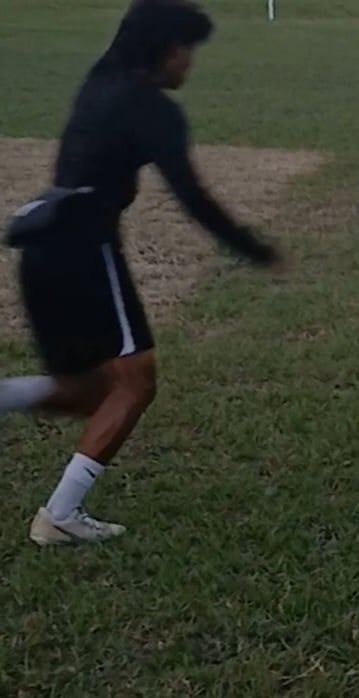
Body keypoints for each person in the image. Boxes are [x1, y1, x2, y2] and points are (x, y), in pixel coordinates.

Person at [0, 0, 282, 546]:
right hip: (86, 249)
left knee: (86, 393)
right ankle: (60, 514)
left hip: (42, 246)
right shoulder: (152, 110)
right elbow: (194, 199)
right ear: (163, 51)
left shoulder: (100, 81)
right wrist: (255, 250)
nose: (189, 64)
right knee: (137, 383)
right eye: (186, 51)